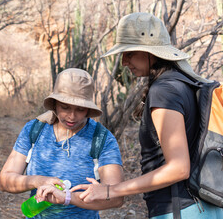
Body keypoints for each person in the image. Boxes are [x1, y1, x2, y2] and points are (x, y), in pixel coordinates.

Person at [71, 12, 223, 219]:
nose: (124, 61)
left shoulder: (164, 91)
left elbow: (179, 168)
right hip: (203, 207)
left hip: (181, 210)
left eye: (130, 53)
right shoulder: (184, 83)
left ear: (150, 52)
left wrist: (110, 190)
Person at [0, 68, 124, 218]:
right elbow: (5, 181)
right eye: (65, 107)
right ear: (55, 103)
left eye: (80, 109)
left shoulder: (102, 139)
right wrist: (37, 181)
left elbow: (116, 198)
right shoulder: (34, 129)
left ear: (88, 109)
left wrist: (68, 198)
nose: (72, 116)